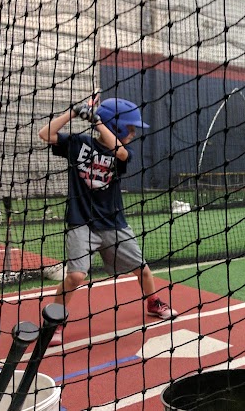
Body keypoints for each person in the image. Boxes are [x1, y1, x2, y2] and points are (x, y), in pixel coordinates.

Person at [38, 93, 178, 347]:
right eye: (130, 128)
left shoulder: (123, 153)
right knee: (76, 276)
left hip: (113, 223)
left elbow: (120, 152)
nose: (134, 132)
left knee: (142, 269)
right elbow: (45, 134)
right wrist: (74, 112)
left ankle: (153, 302)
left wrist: (96, 121)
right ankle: (56, 320)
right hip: (81, 221)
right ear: (118, 127)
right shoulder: (79, 144)